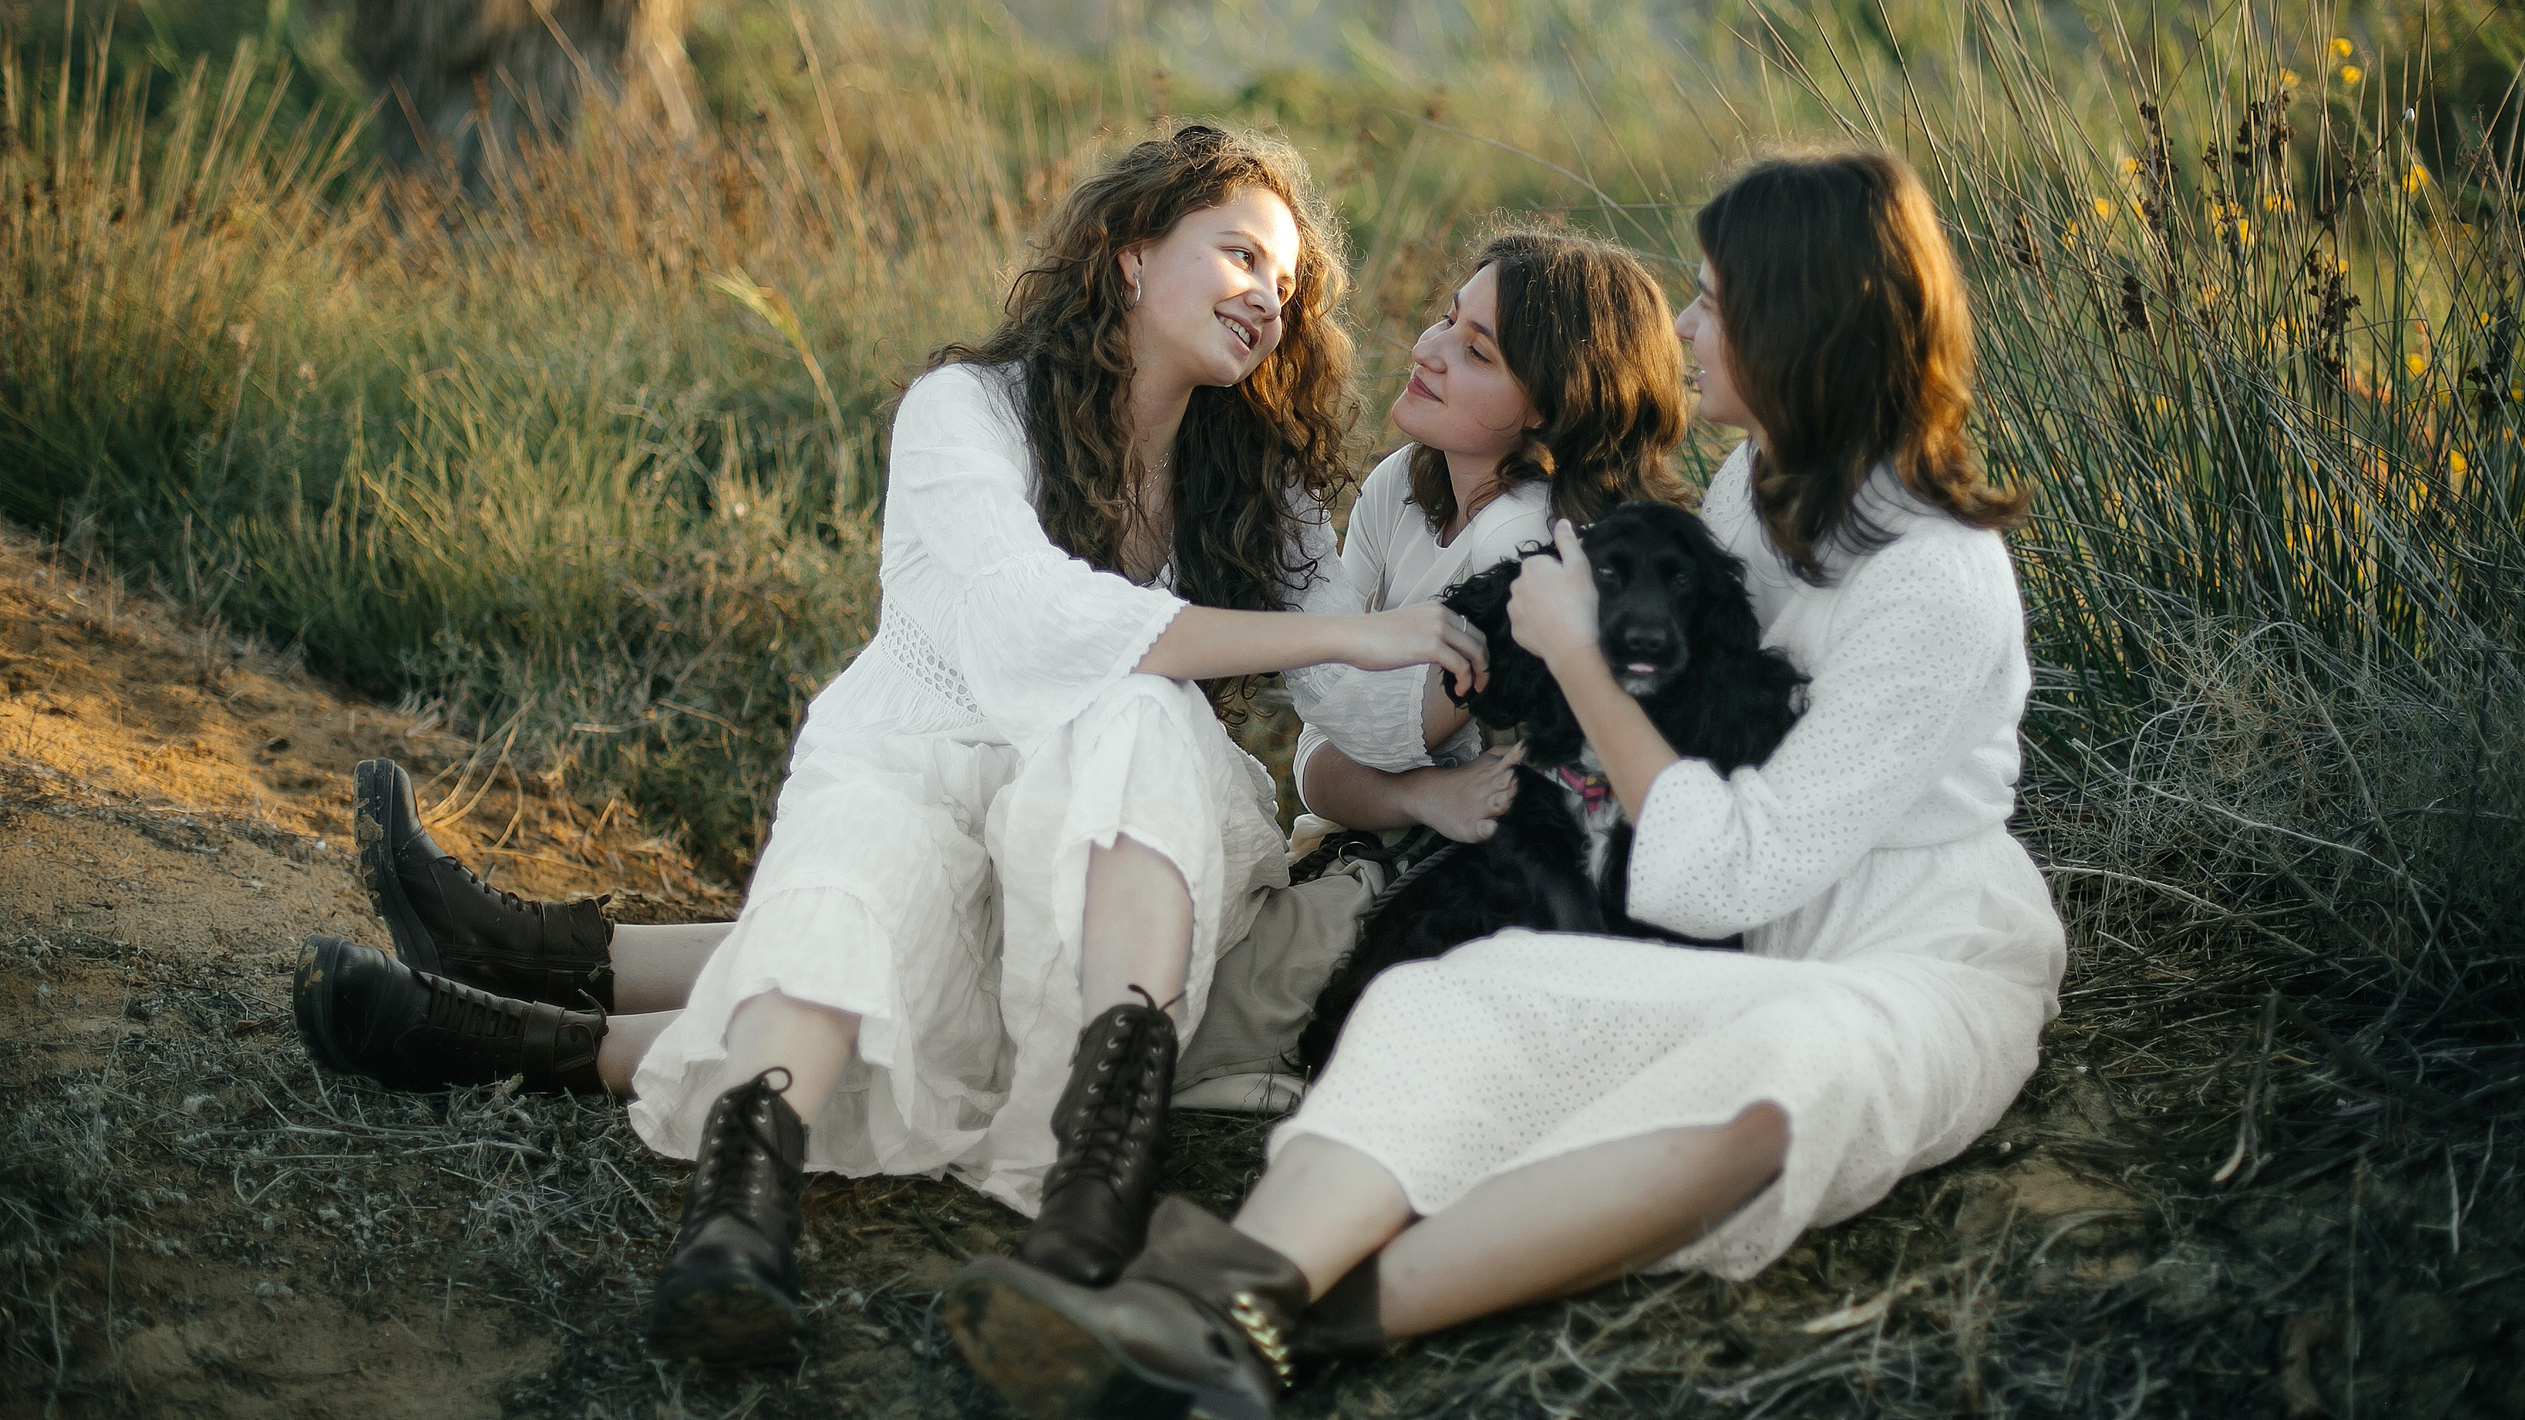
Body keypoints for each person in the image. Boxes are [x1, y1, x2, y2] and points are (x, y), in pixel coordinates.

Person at [287, 122, 1493, 1367]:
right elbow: (1033, 620)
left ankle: (1093, 1186)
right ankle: (729, 1229)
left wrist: (1492, 626)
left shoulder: (1254, 488)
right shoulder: (967, 411)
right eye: (1240, 255)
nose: (1267, 299)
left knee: (1135, 716)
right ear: (1131, 255)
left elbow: (1365, 708)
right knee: (870, 852)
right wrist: (1353, 636)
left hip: (1111, 860)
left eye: (1285, 284)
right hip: (924, 776)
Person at [937, 149, 2069, 1420]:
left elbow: (1720, 870)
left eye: (1712, 302)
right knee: (1458, 992)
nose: (1682, 327)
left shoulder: (1934, 578)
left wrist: (1575, 657)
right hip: (1723, 937)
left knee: (1789, 1067)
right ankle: (1220, 1290)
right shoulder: (1755, 489)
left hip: (1900, 962)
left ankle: (1266, 1328)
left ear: (1801, 325)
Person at [1166, 227, 1694, 1112]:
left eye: (1477, 350)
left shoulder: (1525, 550)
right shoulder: (1400, 491)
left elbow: (1368, 734)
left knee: (1194, 1013)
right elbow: (1323, 755)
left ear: (1552, 406)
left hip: (1468, 881)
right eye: (1448, 320)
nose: (1428, 349)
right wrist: (1419, 795)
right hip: (1380, 839)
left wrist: (1281, 510)